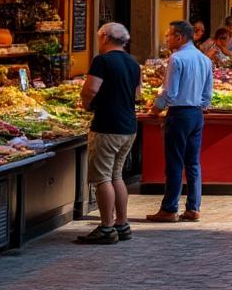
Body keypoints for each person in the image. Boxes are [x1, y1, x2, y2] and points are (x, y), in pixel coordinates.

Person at [77, 22, 142, 244]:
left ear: (104, 38)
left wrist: (85, 104)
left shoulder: (102, 61)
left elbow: (91, 89)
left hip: (107, 126)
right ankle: (121, 224)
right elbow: (137, 95)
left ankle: (106, 227)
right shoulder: (134, 63)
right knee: (117, 175)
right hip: (129, 126)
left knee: (102, 177)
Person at [146, 21, 213, 223]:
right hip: (196, 114)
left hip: (179, 114)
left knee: (174, 162)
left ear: (180, 37)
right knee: (193, 162)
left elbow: (169, 92)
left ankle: (169, 208)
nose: (166, 39)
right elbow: (207, 94)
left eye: (168, 35)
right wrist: (199, 106)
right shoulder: (204, 59)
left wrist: (156, 109)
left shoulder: (176, 59)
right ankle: (193, 207)